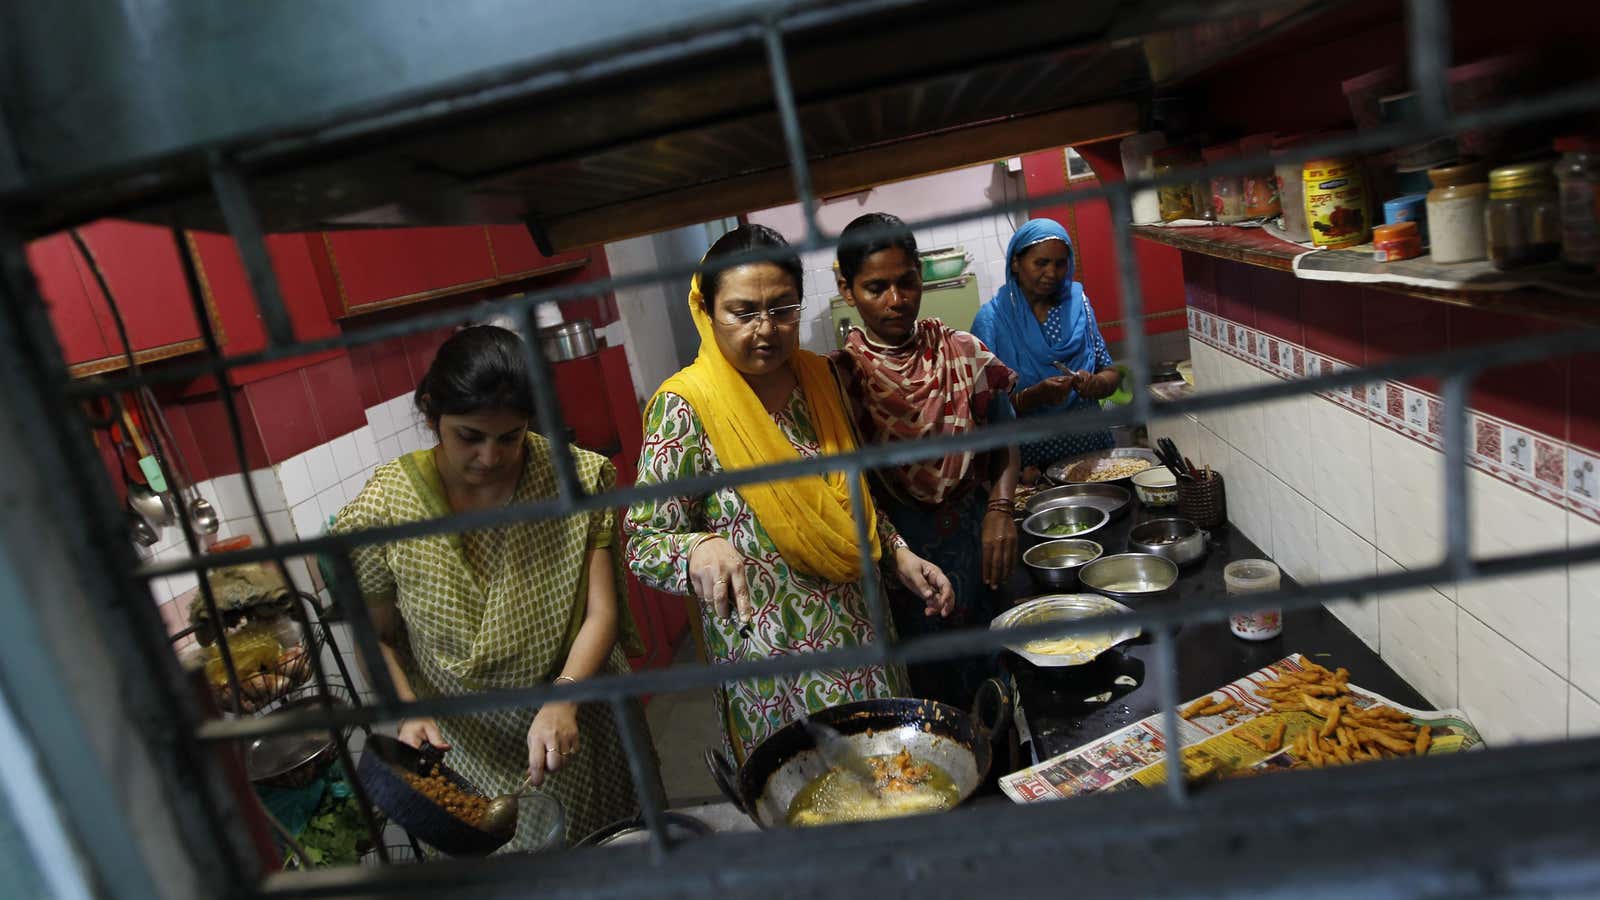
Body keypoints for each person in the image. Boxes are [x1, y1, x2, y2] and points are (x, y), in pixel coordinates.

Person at [625, 224, 955, 765]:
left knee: (892, 784)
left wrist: (898, 552)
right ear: (707, 312)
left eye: (783, 309)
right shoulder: (686, 405)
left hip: (863, 635)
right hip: (774, 672)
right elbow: (642, 541)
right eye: (743, 311)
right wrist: (696, 549)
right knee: (808, 801)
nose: (765, 330)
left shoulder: (820, 379)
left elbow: (852, 495)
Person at [331, 325, 655, 849]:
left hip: (574, 726)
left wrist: (564, 699)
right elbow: (378, 635)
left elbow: (601, 615)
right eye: (469, 436)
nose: (490, 457)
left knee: (606, 861)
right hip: (460, 748)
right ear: (433, 412)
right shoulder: (382, 511)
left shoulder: (574, 480)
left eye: (510, 437)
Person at [830, 212, 1020, 708]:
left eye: (906, 282)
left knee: (997, 678)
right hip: (901, 561)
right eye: (876, 288)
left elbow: (1005, 437)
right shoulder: (840, 381)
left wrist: (1001, 511)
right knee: (927, 698)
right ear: (846, 290)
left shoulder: (962, 351)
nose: (896, 301)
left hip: (978, 544)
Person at [971, 218, 1120, 470]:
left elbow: (1110, 370)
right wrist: (1032, 397)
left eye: (1060, 264)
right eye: (1041, 263)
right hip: (1027, 465)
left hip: (1093, 457)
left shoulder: (1078, 303)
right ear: (1016, 263)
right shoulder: (992, 321)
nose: (1052, 273)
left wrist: (1097, 384)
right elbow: (979, 407)